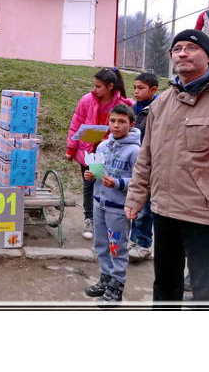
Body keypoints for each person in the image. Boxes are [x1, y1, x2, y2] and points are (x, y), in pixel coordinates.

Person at [125, 29, 209, 304]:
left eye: (191, 48)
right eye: (177, 48)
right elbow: (146, 155)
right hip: (165, 211)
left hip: (206, 217)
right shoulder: (163, 103)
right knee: (166, 286)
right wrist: (136, 197)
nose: (182, 53)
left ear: (208, 56)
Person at [66, 68, 133, 240]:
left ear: (110, 86)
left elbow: (128, 126)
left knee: (108, 184)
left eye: (98, 86)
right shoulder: (87, 100)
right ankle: (89, 219)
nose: (94, 89)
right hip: (88, 151)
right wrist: (71, 149)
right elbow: (76, 123)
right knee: (89, 184)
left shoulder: (122, 104)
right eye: (94, 85)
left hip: (111, 152)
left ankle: (109, 221)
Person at [83, 105, 140, 305]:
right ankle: (105, 279)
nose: (116, 125)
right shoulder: (102, 146)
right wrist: (90, 175)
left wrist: (118, 183)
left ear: (132, 124)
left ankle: (117, 287)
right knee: (101, 245)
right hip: (99, 204)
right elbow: (99, 172)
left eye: (122, 122)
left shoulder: (135, 151)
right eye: (113, 121)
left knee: (117, 247)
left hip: (118, 208)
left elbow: (139, 181)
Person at [128, 72, 158, 262]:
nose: (136, 92)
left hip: (150, 165)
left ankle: (144, 243)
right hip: (134, 164)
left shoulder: (156, 110)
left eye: (141, 88)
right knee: (135, 204)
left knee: (145, 208)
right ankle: (133, 239)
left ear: (153, 90)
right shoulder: (133, 108)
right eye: (135, 87)